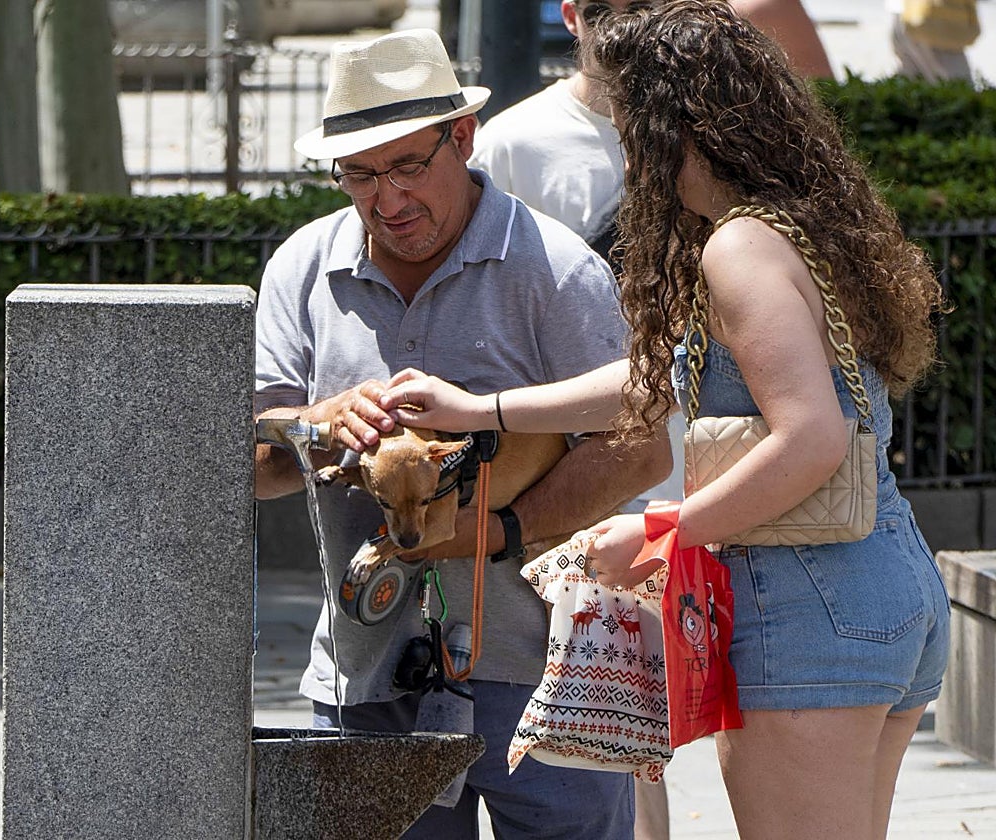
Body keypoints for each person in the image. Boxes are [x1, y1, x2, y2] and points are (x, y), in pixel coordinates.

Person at [387, 4, 951, 837]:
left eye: (629, 123)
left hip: (807, 604)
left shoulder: (739, 247)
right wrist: (483, 409)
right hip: (882, 582)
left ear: (671, 126)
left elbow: (813, 436)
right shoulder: (798, 224)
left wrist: (661, 534)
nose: (624, 147)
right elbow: (659, 382)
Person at [254, 28, 671, 839]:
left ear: (465, 138)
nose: (389, 198)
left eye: (411, 165)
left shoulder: (554, 269)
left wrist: (501, 530)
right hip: (367, 671)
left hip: (549, 672)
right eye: (361, 174)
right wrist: (319, 423)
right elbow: (261, 463)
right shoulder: (302, 268)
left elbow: (640, 445)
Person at [468, 3, 680, 836]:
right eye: (610, 6)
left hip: (693, 463)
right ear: (573, 15)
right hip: (582, 477)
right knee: (609, 720)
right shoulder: (516, 141)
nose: (628, 22)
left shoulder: (705, 131)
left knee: (660, 721)